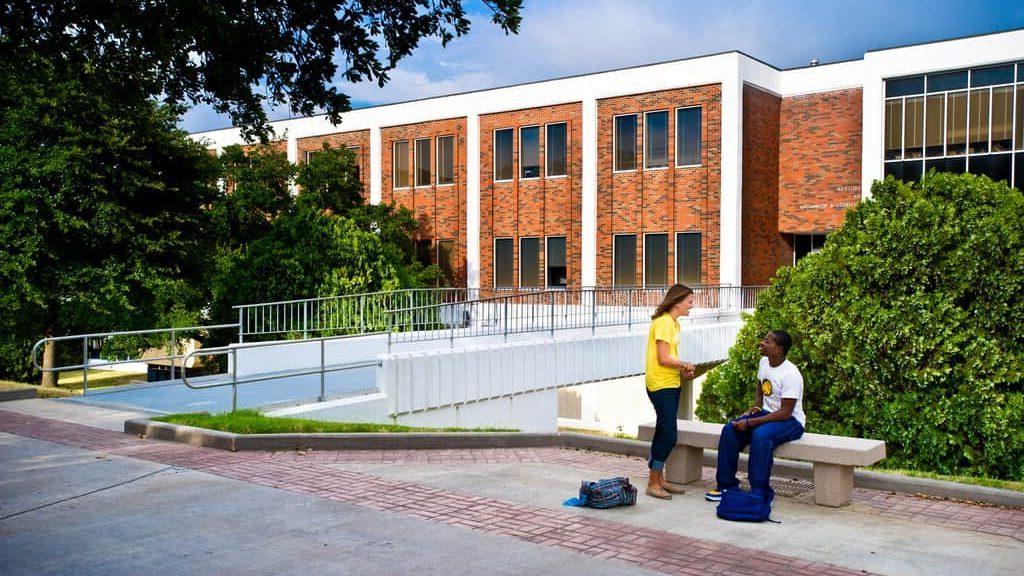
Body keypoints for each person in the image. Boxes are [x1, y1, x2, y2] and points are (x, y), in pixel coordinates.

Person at [705, 330, 805, 503]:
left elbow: (785, 412)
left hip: (791, 421)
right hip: (767, 414)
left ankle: (759, 491)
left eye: (767, 341)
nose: (762, 343)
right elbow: (760, 389)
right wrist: (753, 410)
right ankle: (726, 485)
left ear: (779, 349)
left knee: (761, 435)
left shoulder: (791, 374)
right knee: (730, 429)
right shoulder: (764, 362)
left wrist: (751, 422)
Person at [644, 284, 696, 500]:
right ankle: (652, 483)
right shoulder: (664, 323)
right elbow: (663, 358)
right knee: (669, 434)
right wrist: (685, 364)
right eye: (689, 301)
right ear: (677, 302)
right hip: (660, 384)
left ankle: (659, 479)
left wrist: (682, 370)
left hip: (671, 382)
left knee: (663, 431)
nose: (692, 305)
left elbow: (670, 357)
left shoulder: (673, 324)